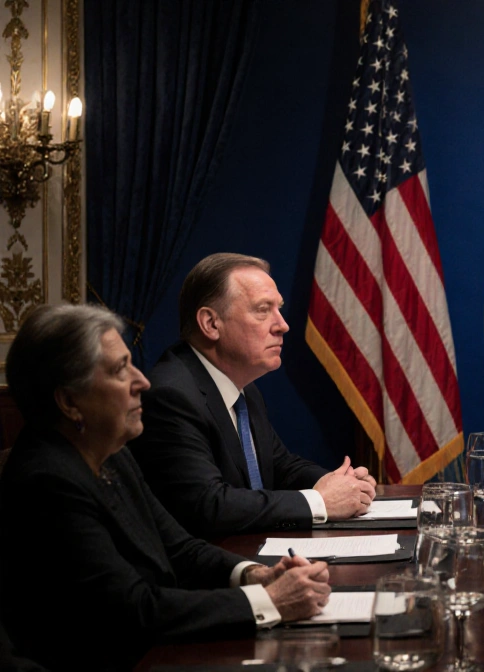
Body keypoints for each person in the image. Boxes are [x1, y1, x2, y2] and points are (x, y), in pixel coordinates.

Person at [0, 305, 332, 670]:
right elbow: (134, 611)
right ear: (69, 402)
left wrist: (256, 574)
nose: (142, 381)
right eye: (118, 370)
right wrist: (269, 602)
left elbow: (179, 548)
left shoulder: (110, 454)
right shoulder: (47, 481)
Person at [130, 253, 376, 537]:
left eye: (279, 309)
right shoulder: (171, 396)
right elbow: (208, 505)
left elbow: (279, 465)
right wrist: (320, 502)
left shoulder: (242, 386)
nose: (282, 325)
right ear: (211, 324)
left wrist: (338, 483)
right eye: (263, 309)